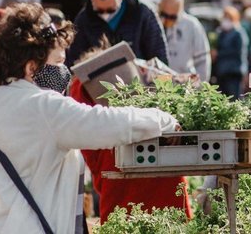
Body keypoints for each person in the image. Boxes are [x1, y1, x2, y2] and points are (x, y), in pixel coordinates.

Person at [0, 3, 178, 233]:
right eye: (57, 64)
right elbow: (109, 124)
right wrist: (163, 119)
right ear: (31, 66)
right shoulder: (45, 108)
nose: (64, 72)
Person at [69, 42, 193, 223]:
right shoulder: (142, 77)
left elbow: (84, 136)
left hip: (118, 179)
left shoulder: (82, 87)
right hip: (162, 173)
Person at [66, 0, 168, 66]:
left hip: (138, 79)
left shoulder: (142, 13)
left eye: (111, 9)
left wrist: (163, 82)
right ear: (92, 0)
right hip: (101, 81)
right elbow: (75, 57)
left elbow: (158, 52)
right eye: (100, 10)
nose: (105, 14)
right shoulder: (84, 19)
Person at [159, 0, 211, 81]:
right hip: (159, 85)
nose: (167, 20)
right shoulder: (154, 22)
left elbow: (203, 59)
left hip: (184, 85)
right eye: (164, 15)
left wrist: (200, 85)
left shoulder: (192, 25)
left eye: (172, 17)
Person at [214, 6, 248, 99]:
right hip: (222, 72)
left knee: (235, 99)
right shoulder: (221, 33)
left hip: (234, 72)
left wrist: (219, 53)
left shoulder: (238, 33)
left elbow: (238, 51)